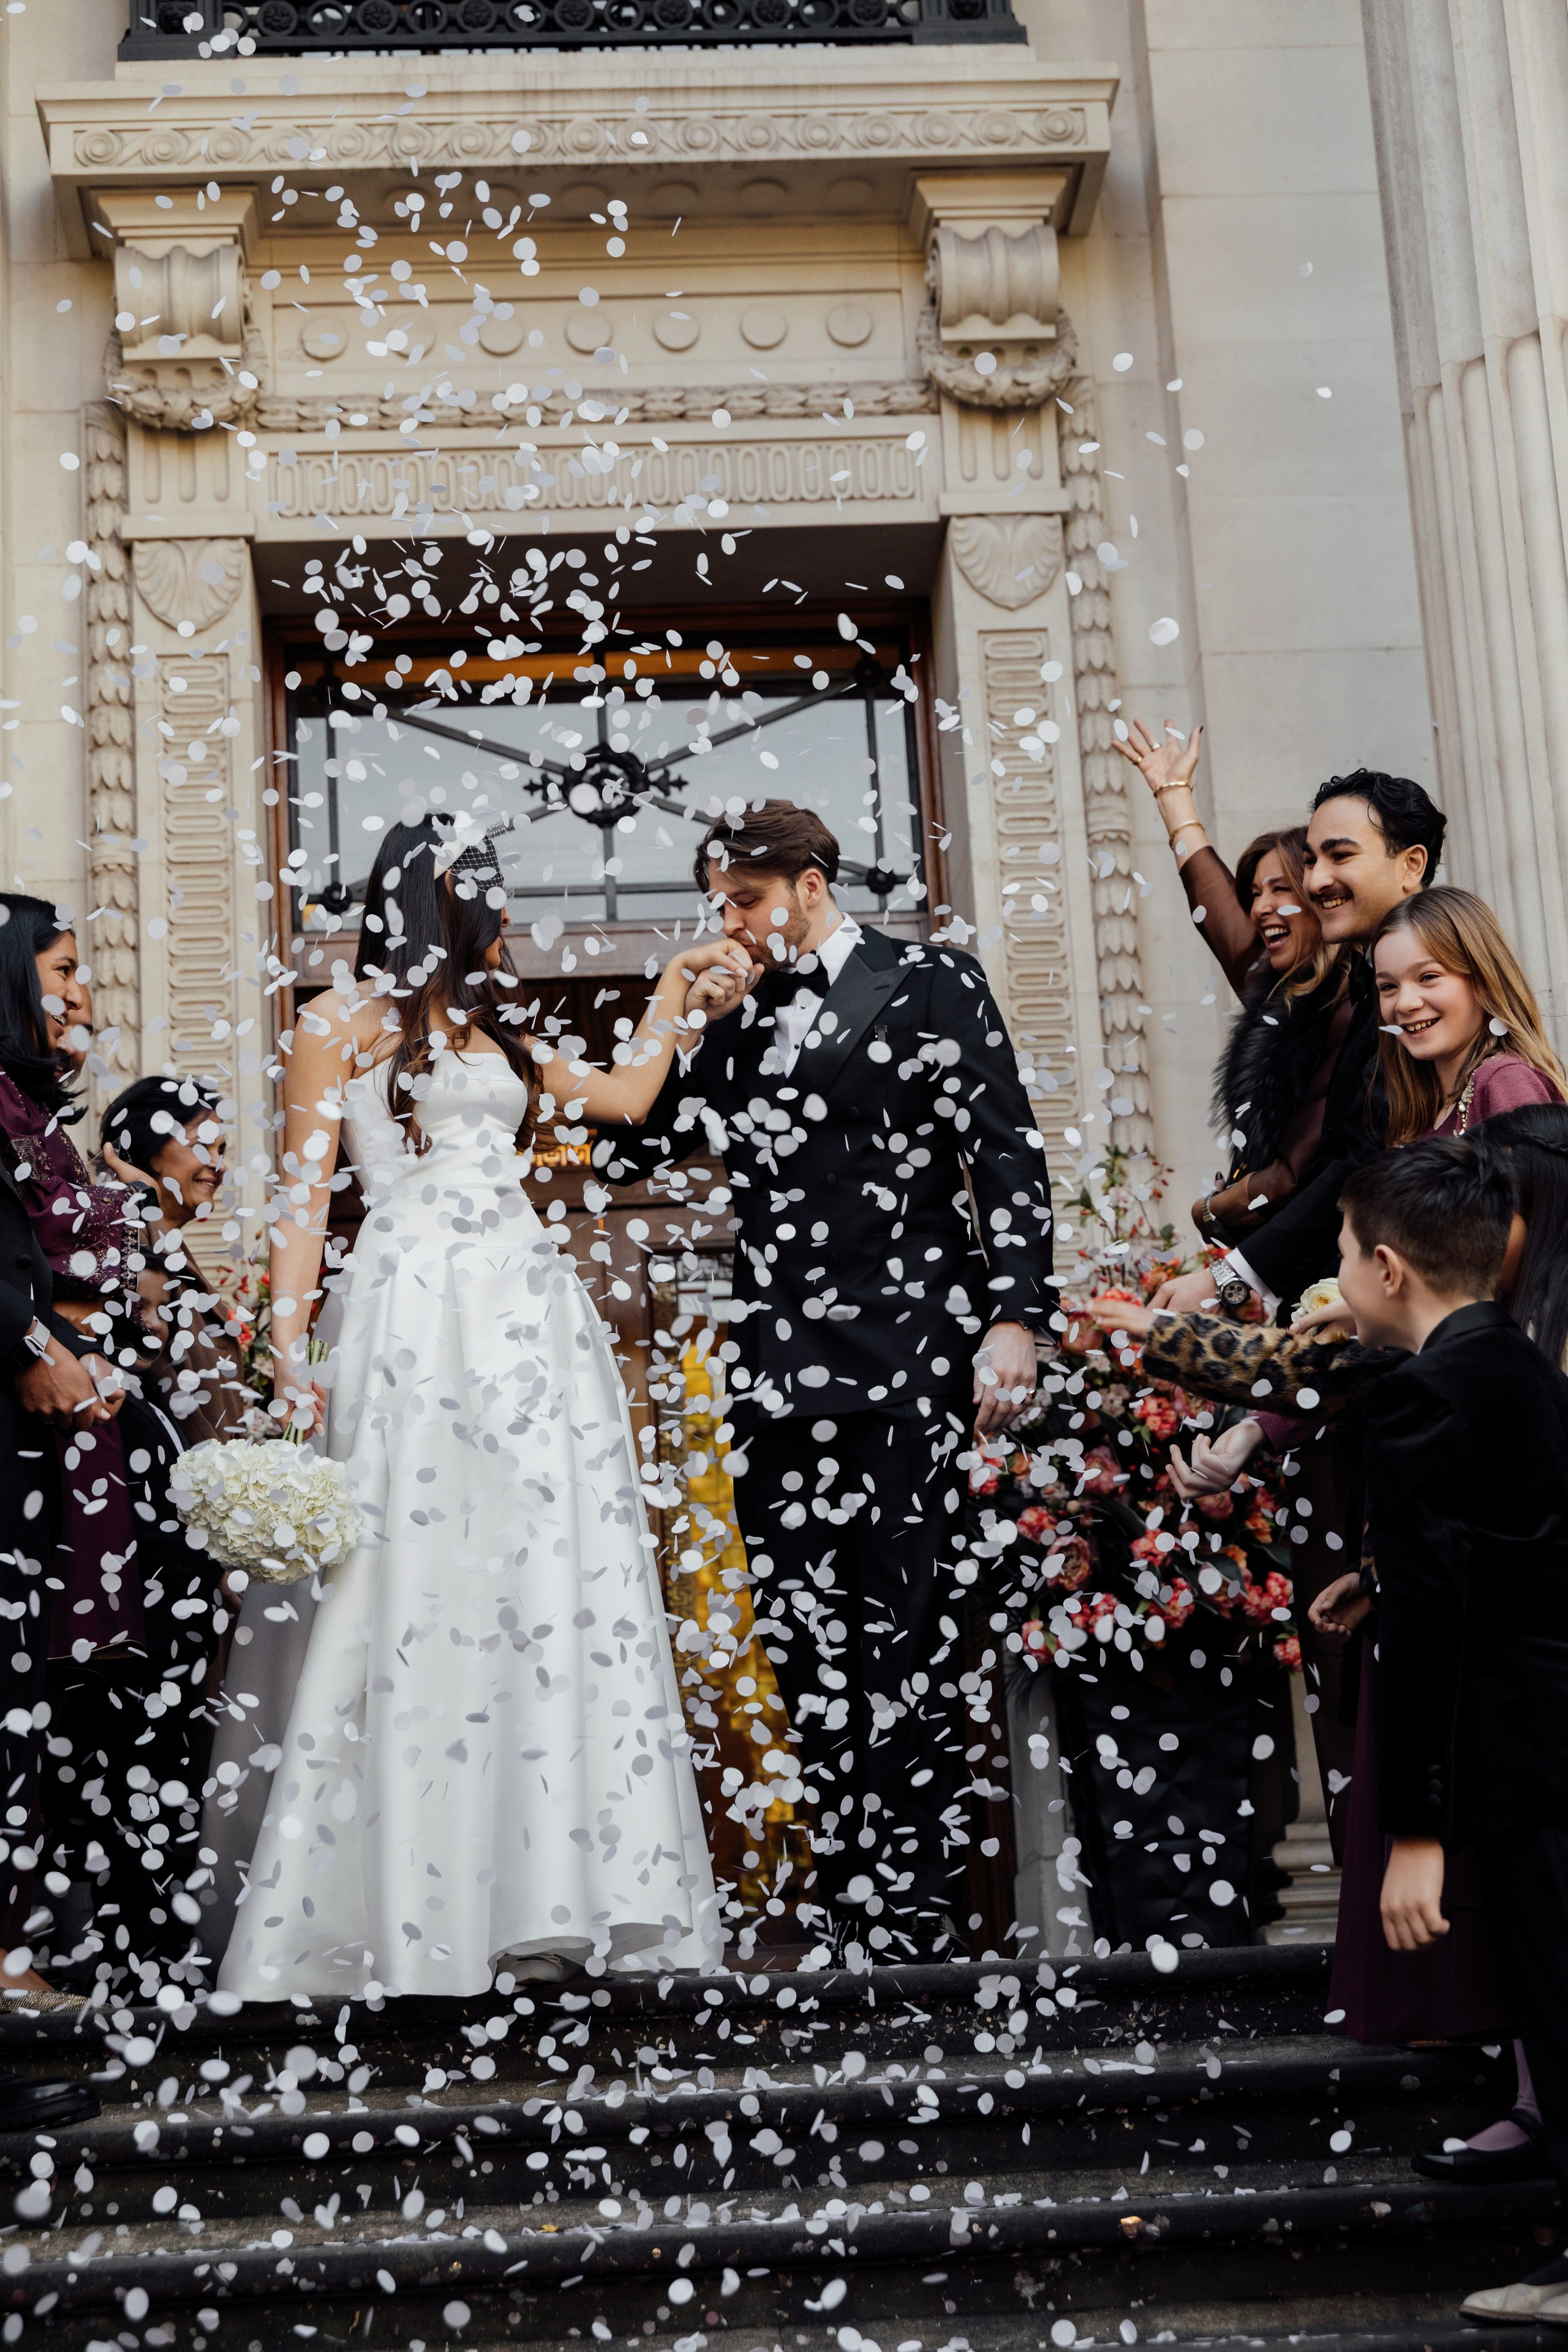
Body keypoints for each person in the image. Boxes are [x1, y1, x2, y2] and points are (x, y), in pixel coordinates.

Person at [215, 812, 751, 1999]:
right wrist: (287, 1354)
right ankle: (400, 1910)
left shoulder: (496, 1032)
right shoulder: (334, 1024)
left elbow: (625, 1100)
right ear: (440, 900)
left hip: (524, 1314)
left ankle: (546, 1898)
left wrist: (671, 993)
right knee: (408, 1580)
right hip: (411, 1306)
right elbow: (303, 1201)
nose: (508, 917)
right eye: (492, 895)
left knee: (538, 1577)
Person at [600, 799, 1057, 1961]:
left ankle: (920, 1905)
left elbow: (1004, 1153)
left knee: (910, 1630)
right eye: (718, 905)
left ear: (810, 883)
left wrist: (1015, 1316)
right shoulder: (732, 1017)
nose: (730, 923)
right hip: (776, 1374)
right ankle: (847, 1892)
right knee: (804, 1639)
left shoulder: (933, 983)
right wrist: (678, 1022)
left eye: (745, 901)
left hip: (910, 1360)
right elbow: (622, 1151)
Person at [1324, 1142, 1568, 2328]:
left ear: (1387, 1267)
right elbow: (1506, 1550)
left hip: (1523, 1754)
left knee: (1560, 2004)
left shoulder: (1422, 1394)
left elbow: (1433, 1633)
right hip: (1551, 1729)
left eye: (1339, 1255)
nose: (1336, 1279)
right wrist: (1383, 1579)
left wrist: (1414, 1835)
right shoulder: (1515, 1363)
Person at [0, 896, 225, 2005]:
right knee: (46, 1708)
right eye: (61, 970)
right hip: (34, 1437)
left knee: (63, 1706)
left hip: (87, 1455)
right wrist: (38, 1338)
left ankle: (56, 1944)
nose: (82, 992)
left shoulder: (32, 1114)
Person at [1155, 769, 1446, 1319]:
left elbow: (1356, 1164)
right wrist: (1173, 800)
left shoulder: (1407, 992)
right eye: (1311, 862)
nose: (1317, 881)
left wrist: (1230, 1266)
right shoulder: (1351, 989)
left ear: (1411, 865)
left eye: (1340, 856)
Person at [1114, 719, 1351, 1246]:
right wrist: (1172, 793)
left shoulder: (1351, 1004)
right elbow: (1213, 903)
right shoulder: (1278, 988)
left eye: (1280, 889)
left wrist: (1210, 1211)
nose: (1261, 907)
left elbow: (1294, 1175)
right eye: (1255, 893)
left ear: (1320, 896)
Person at [101, 1074, 258, 1444]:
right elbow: (152, 1376)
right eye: (203, 1146)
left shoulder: (167, 1243)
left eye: (222, 1150)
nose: (219, 1165)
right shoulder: (127, 1240)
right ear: (151, 1149)